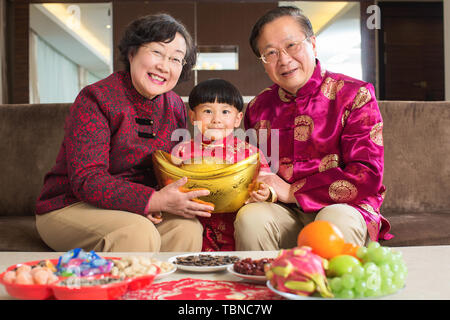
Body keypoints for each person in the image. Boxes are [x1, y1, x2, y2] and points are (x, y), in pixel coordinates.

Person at [35, 13, 214, 252]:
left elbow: (171, 169)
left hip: (138, 208)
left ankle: (169, 290)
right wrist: (150, 201)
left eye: (176, 59)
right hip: (72, 204)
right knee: (135, 232)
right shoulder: (97, 98)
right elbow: (87, 179)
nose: (164, 66)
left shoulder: (175, 106)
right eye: (157, 52)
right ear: (132, 53)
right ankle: (127, 290)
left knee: (187, 227)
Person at [234, 6, 393, 251]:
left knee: (334, 223)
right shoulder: (258, 108)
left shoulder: (355, 95)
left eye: (292, 45)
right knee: (251, 218)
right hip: (283, 212)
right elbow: (255, 170)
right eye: (271, 53)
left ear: (313, 44)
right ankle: (262, 288)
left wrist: (293, 191)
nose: (284, 59)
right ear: (263, 62)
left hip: (343, 208)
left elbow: (367, 174)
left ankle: (324, 289)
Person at [171, 78, 275, 251]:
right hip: (194, 224)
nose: (216, 119)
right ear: (192, 116)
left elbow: (267, 183)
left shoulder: (250, 153)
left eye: (225, 112)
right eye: (207, 111)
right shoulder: (181, 151)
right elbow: (170, 186)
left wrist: (265, 193)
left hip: (236, 226)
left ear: (238, 118)